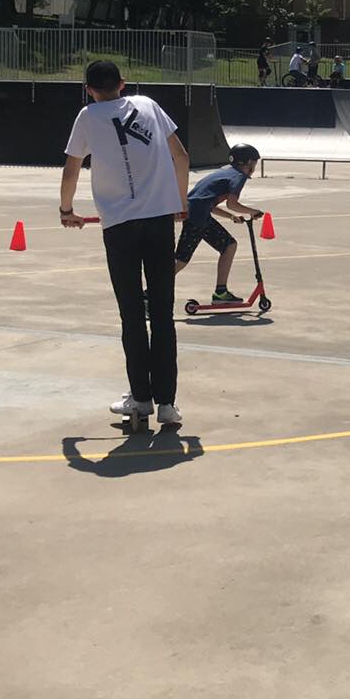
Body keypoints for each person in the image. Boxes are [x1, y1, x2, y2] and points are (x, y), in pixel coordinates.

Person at [59, 61, 191, 426]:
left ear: (89, 89)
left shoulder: (88, 117)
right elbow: (181, 155)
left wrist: (66, 208)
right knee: (162, 312)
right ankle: (168, 403)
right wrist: (181, 201)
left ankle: (141, 397)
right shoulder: (148, 105)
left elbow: (72, 168)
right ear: (123, 84)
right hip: (160, 220)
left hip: (119, 225)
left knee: (132, 313)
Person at [175, 144, 263, 303]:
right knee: (181, 259)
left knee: (229, 245)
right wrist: (253, 212)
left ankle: (221, 293)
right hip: (197, 217)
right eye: (254, 163)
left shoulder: (225, 172)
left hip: (197, 213)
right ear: (248, 162)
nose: (254, 167)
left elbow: (208, 203)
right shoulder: (238, 176)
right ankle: (150, 293)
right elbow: (232, 203)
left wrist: (231, 217)